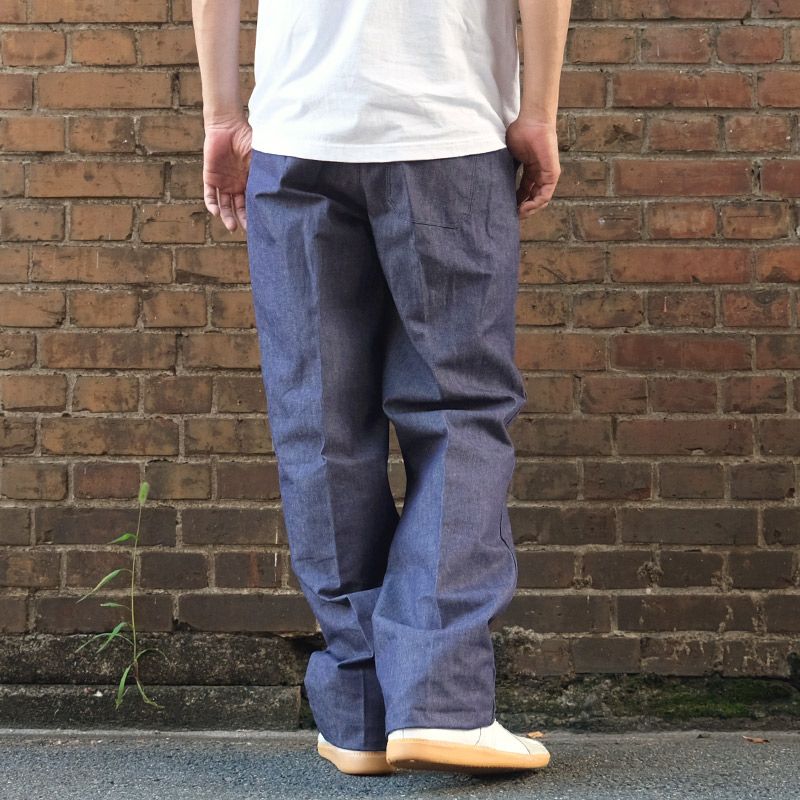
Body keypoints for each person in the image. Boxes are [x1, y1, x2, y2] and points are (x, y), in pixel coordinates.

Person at [191, 0, 571, 777]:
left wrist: (223, 113)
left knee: (318, 422)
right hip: (445, 126)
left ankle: (360, 712)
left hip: (298, 129)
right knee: (459, 411)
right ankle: (439, 700)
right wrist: (538, 111)